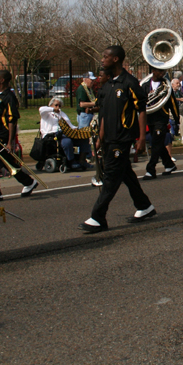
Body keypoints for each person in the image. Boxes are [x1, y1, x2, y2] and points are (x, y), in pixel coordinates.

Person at [79, 45, 155, 233]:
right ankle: (144, 206)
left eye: (105, 57)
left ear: (115, 59)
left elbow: (141, 110)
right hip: (109, 139)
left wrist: (141, 138)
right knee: (126, 174)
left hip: (122, 139)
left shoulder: (129, 82)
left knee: (111, 176)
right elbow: (103, 115)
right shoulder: (107, 85)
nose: (102, 59)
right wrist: (100, 138)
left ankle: (98, 217)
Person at [0, 70, 39, 201]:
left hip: (3, 135)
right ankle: (29, 182)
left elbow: (12, 120)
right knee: (8, 163)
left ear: (1, 80)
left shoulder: (9, 97)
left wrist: (10, 141)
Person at [140, 67, 179, 180]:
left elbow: (173, 103)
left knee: (156, 143)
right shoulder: (145, 85)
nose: (162, 73)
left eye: (163, 71)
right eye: (160, 71)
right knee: (158, 143)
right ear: (153, 71)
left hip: (161, 118)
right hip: (150, 118)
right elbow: (141, 101)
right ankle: (169, 165)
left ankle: (151, 169)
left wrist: (177, 119)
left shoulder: (166, 86)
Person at [39, 98, 91, 169]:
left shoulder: (62, 114)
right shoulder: (46, 114)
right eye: (56, 105)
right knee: (67, 141)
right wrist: (53, 110)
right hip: (52, 136)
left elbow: (70, 125)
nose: (58, 107)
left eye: (59, 106)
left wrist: (77, 129)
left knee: (84, 138)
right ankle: (71, 161)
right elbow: (41, 109)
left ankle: (82, 160)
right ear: (50, 105)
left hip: (65, 134)